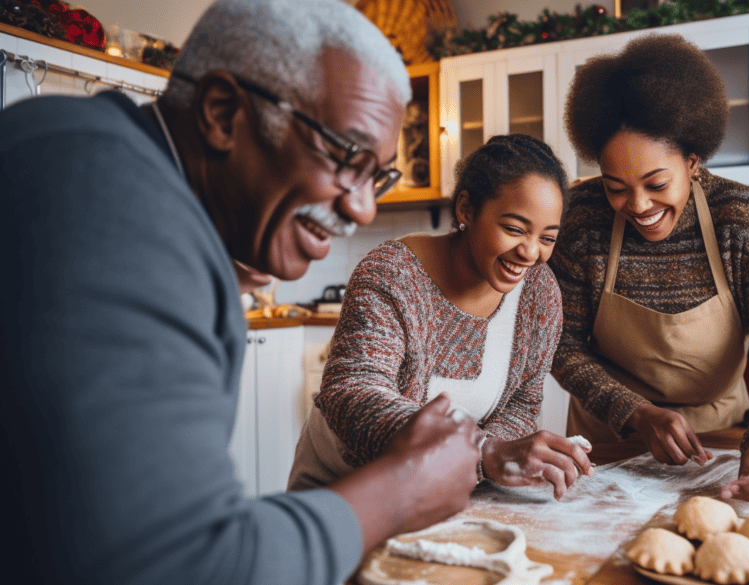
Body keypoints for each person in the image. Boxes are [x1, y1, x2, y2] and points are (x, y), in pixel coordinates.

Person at [0, 1, 482, 583]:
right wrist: (403, 489)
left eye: (376, 176)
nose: (362, 206)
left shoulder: (85, 148)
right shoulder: (110, 202)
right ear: (224, 113)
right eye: (346, 158)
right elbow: (185, 564)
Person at [549, 34, 749, 508]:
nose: (637, 206)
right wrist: (635, 412)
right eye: (616, 187)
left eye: (656, 183)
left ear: (693, 160)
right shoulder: (580, 220)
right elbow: (561, 345)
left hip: (720, 445)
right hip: (604, 448)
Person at [288, 134, 593, 500]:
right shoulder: (392, 274)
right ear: (466, 209)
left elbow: (522, 403)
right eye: (514, 229)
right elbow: (353, 391)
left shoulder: (539, 295)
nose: (530, 252)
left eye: (547, 238)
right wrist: (482, 452)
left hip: (445, 488)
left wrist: (482, 462)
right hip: (344, 487)